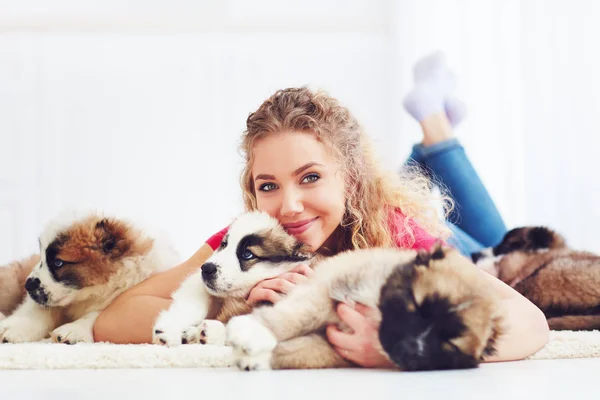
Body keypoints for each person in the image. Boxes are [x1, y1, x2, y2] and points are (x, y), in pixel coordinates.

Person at [93, 52, 549, 368]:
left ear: (350, 178)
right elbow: (115, 317)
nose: (288, 206)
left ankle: (436, 124)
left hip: (469, 253)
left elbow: (530, 323)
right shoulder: (247, 241)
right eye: (267, 185)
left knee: (499, 241)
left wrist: (403, 346)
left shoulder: (398, 233)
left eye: (310, 177)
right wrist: (230, 304)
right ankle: (437, 125)